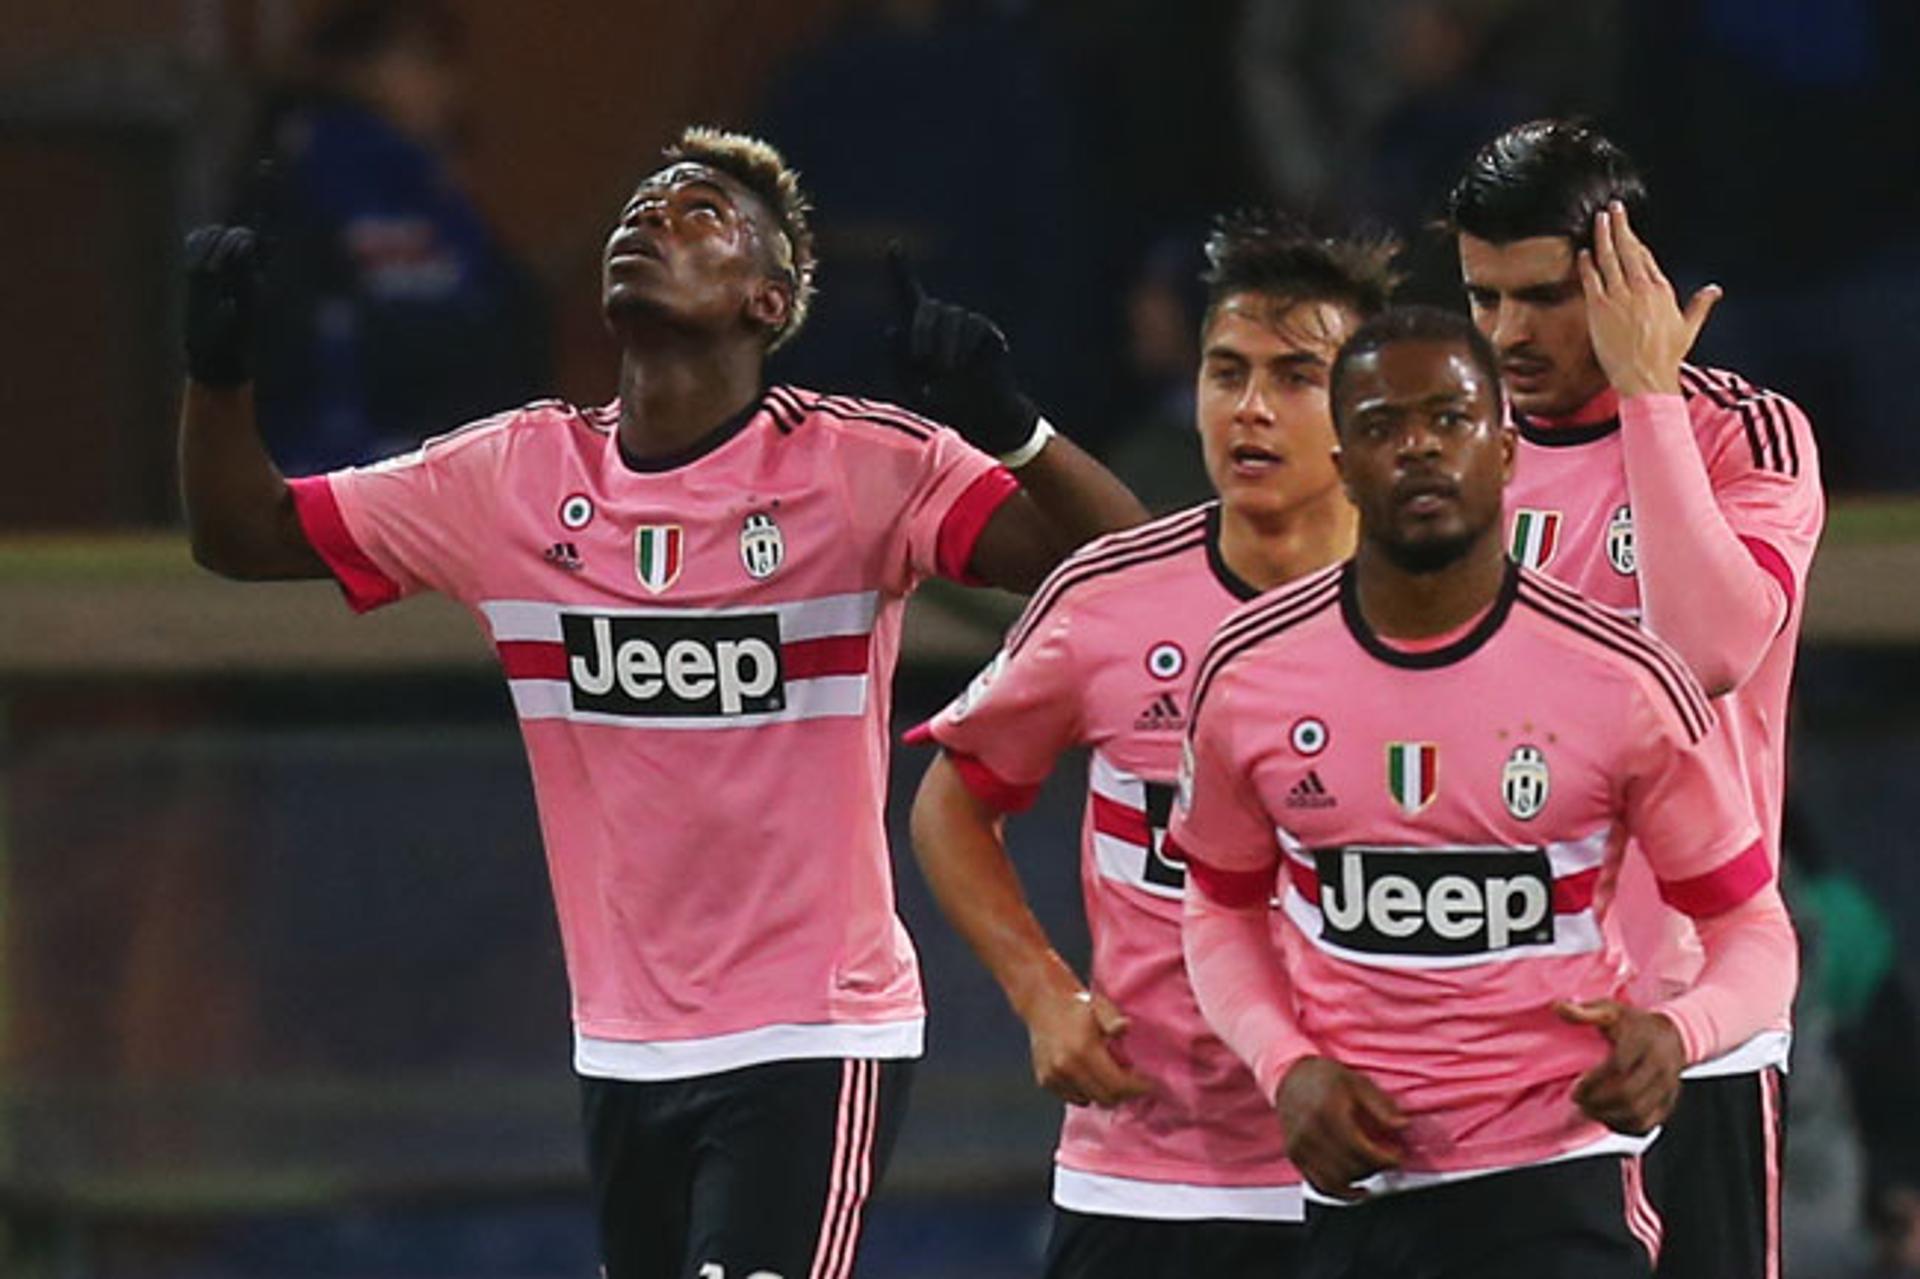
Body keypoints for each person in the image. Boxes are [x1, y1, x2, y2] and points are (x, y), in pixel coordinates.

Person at [177, 125, 1145, 1279]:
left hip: (813, 1030)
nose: (653, 220)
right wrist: (220, 369)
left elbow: (1130, 563)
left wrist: (1016, 429)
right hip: (623, 1045)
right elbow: (245, 534)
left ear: (765, 298)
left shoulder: (861, 467)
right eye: (643, 204)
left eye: (702, 216)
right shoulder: (511, 479)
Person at [1171, 305, 1797, 1277]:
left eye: (1449, 419)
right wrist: (1283, 1065)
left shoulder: (1624, 684)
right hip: (1355, 1190)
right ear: (1341, 465)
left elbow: (1755, 929)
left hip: (1563, 1187)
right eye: (1382, 426)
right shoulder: (1249, 675)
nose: (1418, 448)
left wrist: (1681, 1032)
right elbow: (1217, 908)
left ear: (1506, 453)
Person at [908, 213, 1398, 1277]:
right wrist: (1042, 992)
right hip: (1149, 1180)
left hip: (1395, 1174)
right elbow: (952, 800)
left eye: (1297, 376)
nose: (1252, 407)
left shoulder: (1447, 616)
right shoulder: (1111, 597)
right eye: (1228, 371)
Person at [1446, 118, 1825, 1278]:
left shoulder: (1740, 432)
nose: (1509, 333)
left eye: (1547, 295)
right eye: (1483, 297)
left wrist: (1649, 398)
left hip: (1687, 1023)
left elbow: (1702, 651)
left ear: (1627, 272)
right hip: (1480, 1027)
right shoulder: (1443, 453)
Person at [249, 0, 549, 472]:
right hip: (336, 469)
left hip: (440, 474)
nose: (447, 88)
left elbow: (507, 318)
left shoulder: (434, 186)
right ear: (354, 70)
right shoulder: (303, 174)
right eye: (423, 62)